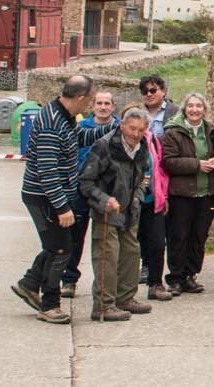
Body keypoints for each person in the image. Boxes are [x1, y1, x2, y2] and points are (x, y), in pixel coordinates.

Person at [14, 75, 118, 325]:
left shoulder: (65, 115)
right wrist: (61, 207)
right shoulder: (52, 122)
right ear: (81, 98)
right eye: (90, 100)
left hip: (53, 193)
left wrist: (111, 128)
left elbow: (77, 140)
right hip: (45, 195)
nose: (90, 105)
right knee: (61, 248)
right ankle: (50, 305)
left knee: (55, 244)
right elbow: (47, 169)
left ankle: (29, 284)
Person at [78, 107, 153, 321]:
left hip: (130, 210)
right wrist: (104, 199)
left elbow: (141, 177)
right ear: (122, 126)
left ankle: (125, 298)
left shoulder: (142, 147)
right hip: (106, 211)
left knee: (131, 254)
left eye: (140, 130)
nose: (135, 134)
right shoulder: (104, 146)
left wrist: (138, 196)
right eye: (132, 129)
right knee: (107, 258)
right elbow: (85, 181)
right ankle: (103, 305)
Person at [160, 93, 214, 295]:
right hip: (182, 193)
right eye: (191, 106)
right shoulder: (172, 132)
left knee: (198, 236)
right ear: (184, 109)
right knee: (179, 236)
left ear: (204, 109)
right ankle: (176, 278)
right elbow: (167, 161)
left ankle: (190, 275)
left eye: (199, 106)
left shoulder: (211, 131)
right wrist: (197, 165)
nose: (195, 110)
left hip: (206, 192)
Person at [60, 90, 115, 300]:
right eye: (99, 103)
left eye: (107, 103)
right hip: (80, 189)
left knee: (105, 238)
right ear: (92, 106)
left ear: (113, 106)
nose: (103, 107)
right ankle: (69, 280)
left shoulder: (120, 128)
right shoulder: (80, 128)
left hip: (107, 191)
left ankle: (106, 284)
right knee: (76, 236)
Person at [136, 75, 172, 294]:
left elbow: (159, 168)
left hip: (157, 195)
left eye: (153, 90)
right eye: (145, 91)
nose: (149, 94)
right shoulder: (123, 143)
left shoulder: (155, 141)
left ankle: (155, 283)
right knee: (138, 238)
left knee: (159, 240)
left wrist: (163, 194)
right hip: (134, 196)